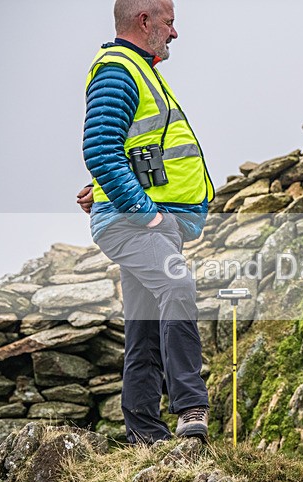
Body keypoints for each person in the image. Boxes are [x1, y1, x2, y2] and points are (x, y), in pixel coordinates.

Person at [79, 0, 214, 444]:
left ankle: (143, 432)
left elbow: (131, 150)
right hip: (137, 223)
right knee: (178, 286)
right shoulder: (119, 70)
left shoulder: (140, 69)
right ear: (145, 21)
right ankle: (191, 408)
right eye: (170, 23)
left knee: (142, 322)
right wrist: (147, 214)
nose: (175, 33)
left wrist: (105, 191)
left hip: (142, 220)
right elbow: (100, 149)